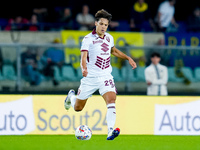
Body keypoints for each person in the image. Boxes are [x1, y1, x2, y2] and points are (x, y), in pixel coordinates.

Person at [64, 9, 137, 140]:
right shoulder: (88, 39)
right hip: (90, 77)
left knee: (111, 100)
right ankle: (71, 97)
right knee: (78, 108)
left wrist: (128, 58)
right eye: (102, 24)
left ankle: (110, 131)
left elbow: (113, 51)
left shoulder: (109, 38)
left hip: (105, 76)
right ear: (96, 23)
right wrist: (84, 68)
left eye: (106, 25)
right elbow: (83, 57)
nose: (104, 27)